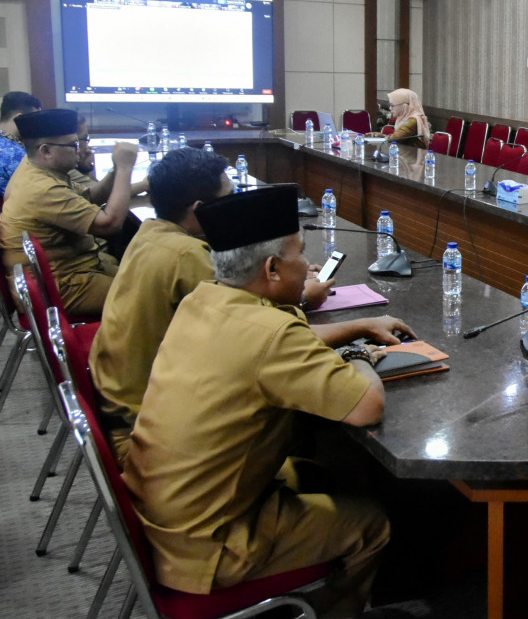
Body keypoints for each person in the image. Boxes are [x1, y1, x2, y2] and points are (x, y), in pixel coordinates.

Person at [124, 185, 402, 618]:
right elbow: (368, 404)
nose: (308, 270)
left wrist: (359, 324)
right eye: (300, 258)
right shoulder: (270, 335)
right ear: (272, 269)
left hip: (164, 513)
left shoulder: (205, 299)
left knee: (322, 473)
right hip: (210, 544)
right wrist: (358, 354)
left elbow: (272, 340)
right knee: (372, 524)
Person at [89, 148, 347, 464]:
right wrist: (303, 294)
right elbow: (255, 325)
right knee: (300, 410)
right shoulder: (188, 257)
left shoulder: (150, 234)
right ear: (200, 210)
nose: (235, 204)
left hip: (124, 402)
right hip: (148, 430)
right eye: (228, 197)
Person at [1, 108, 137, 319]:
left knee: (141, 275)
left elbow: (89, 196)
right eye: (74, 144)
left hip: (70, 271)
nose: (82, 149)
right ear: (46, 151)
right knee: (149, 295)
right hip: (61, 285)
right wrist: (125, 169)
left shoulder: (34, 167)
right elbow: (109, 224)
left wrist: (115, 169)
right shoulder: (42, 189)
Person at [68, 113, 150, 201]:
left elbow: (97, 188)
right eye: (84, 139)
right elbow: (107, 194)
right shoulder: (67, 170)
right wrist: (146, 184)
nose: (88, 145)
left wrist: (85, 169)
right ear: (72, 141)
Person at [0, 91, 41, 193]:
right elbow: (38, 192)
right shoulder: (14, 153)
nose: (38, 126)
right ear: (19, 119)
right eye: (35, 121)